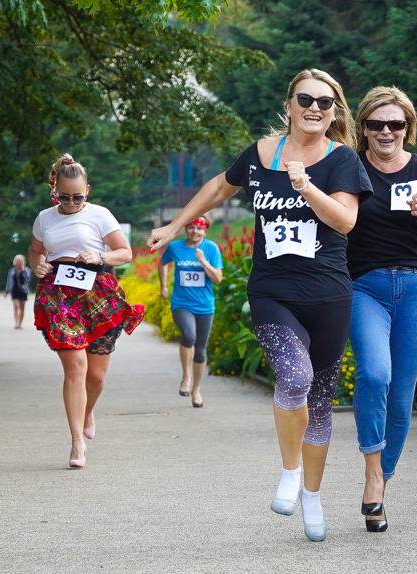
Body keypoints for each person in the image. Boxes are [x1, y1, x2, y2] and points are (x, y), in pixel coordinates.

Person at [147, 69, 372, 542]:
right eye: (306, 99)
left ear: (335, 112)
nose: (315, 108)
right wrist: (174, 226)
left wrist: (306, 187)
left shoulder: (343, 159)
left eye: (326, 103)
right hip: (272, 291)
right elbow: (216, 188)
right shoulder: (261, 153)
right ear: (289, 104)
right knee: (294, 377)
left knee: (321, 400)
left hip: (329, 294)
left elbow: (347, 221)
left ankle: (312, 494)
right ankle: (290, 471)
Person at [346, 86, 417, 533]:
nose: (386, 131)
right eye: (376, 124)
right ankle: (372, 474)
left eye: (395, 124)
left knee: (401, 394)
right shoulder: (350, 165)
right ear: (364, 128)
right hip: (365, 286)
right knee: (375, 373)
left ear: (407, 127)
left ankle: (382, 480)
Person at [30, 154, 145, 468]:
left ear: (88, 190)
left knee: (95, 377)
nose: (71, 202)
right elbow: (36, 252)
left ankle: (88, 410)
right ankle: (77, 443)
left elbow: (125, 253)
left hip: (97, 294)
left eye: (77, 197)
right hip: (59, 298)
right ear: (55, 190)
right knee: (76, 368)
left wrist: (99, 255)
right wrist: (37, 265)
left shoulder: (100, 215)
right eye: (64, 197)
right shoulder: (44, 218)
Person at [158, 214, 223, 407]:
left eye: (200, 228)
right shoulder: (175, 247)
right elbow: (162, 263)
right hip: (181, 303)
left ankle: (196, 390)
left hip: (204, 306)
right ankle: (186, 378)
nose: (195, 231)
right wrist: (163, 286)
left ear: (205, 230)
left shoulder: (211, 248)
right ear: (186, 229)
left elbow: (218, 279)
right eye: (192, 227)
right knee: (188, 336)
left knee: (201, 350)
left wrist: (204, 261)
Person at [4, 254, 32, 329]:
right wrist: (7, 291)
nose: (19, 262)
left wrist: (23, 272)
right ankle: (16, 323)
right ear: (15, 262)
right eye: (18, 260)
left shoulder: (27, 270)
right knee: (16, 307)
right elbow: (9, 281)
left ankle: (20, 323)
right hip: (14, 290)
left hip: (23, 290)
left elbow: (28, 279)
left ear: (23, 261)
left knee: (22, 308)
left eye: (20, 260)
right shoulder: (12, 271)